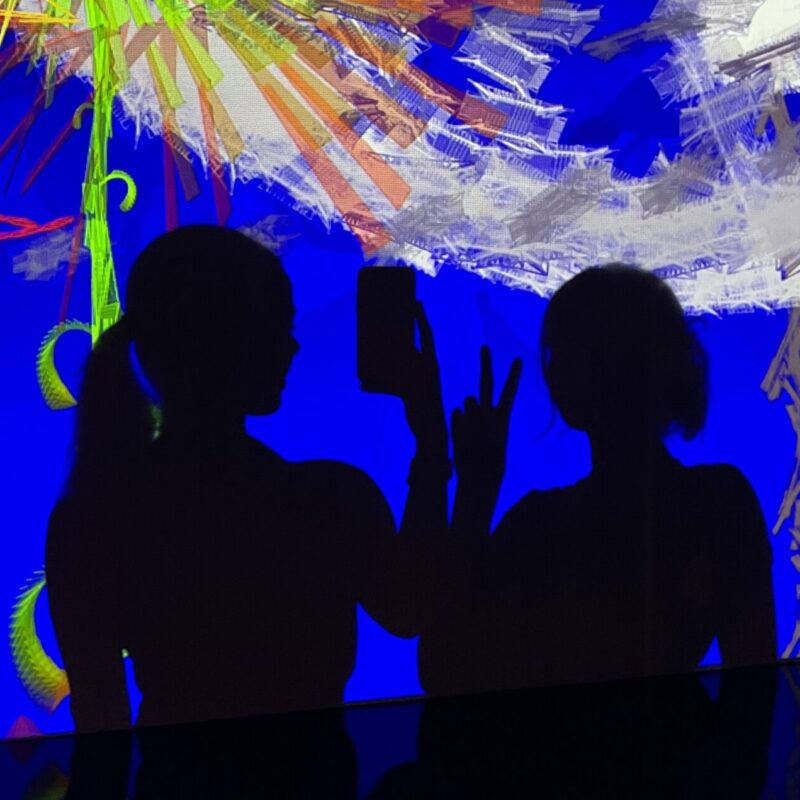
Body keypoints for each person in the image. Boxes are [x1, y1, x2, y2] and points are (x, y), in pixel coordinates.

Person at [46, 225, 449, 734]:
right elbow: (411, 610)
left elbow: (100, 725)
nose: (292, 347)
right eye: (277, 325)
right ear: (228, 340)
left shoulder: (91, 519)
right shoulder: (331, 501)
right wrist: (435, 450)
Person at [419, 264, 777, 695]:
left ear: (588, 367)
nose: (550, 367)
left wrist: (475, 490)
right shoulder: (720, 501)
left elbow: (445, 671)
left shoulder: (538, 527)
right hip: (684, 750)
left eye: (560, 352)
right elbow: (755, 696)